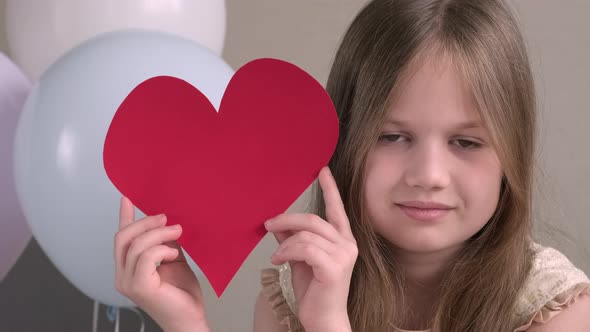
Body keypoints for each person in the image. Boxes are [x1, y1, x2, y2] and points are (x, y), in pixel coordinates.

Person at [113, 0, 590, 331]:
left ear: (512, 153)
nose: (428, 174)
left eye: (466, 142)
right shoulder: (291, 300)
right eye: (393, 137)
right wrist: (187, 323)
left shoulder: (552, 309)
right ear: (345, 140)